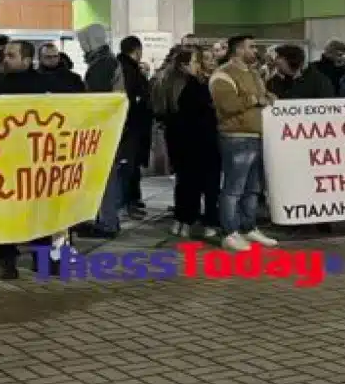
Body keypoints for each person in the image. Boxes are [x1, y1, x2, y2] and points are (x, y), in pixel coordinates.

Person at [0, 40, 52, 279]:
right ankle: (7, 260)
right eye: (5, 55)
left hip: (36, 159)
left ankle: (43, 258)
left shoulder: (43, 85)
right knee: (6, 211)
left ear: (27, 60)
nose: (5, 59)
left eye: (11, 55)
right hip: (7, 160)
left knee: (40, 212)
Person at [209, 35, 279, 252]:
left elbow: (266, 96)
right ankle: (229, 232)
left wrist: (269, 97)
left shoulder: (254, 74)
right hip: (236, 137)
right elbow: (228, 105)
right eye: (252, 47)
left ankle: (249, 227)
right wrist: (255, 100)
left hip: (258, 136)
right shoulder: (222, 75)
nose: (256, 50)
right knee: (233, 188)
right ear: (238, 50)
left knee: (253, 188)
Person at [154, 46, 222, 239]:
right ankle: (195, 222)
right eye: (194, 62)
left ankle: (180, 220)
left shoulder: (164, 82)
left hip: (176, 139)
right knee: (204, 183)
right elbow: (206, 115)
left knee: (184, 182)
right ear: (185, 65)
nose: (197, 66)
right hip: (199, 141)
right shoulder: (193, 86)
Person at [77, 24, 123, 237]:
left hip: (102, 128)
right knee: (106, 175)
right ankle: (107, 219)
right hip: (110, 126)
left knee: (102, 176)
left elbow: (94, 98)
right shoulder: (109, 61)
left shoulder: (101, 65)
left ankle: (106, 222)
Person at [113, 36, 153, 218]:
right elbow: (133, 96)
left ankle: (130, 202)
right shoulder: (128, 70)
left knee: (131, 167)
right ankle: (124, 204)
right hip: (130, 127)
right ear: (137, 51)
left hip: (128, 125)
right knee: (127, 168)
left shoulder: (122, 66)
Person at [269, 44, 336, 100]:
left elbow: (327, 107)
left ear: (292, 62)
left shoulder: (320, 82)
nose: (276, 66)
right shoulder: (274, 82)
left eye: (280, 65)